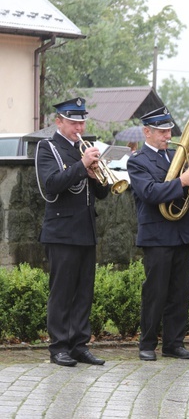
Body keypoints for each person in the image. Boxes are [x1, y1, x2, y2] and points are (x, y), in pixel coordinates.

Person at [35, 97, 109, 367]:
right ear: (59, 122)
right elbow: (51, 185)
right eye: (73, 121)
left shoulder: (85, 150)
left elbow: (102, 192)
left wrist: (97, 172)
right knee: (62, 292)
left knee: (83, 292)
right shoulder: (48, 148)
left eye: (82, 121)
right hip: (61, 232)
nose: (79, 126)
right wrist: (82, 166)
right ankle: (58, 347)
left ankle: (79, 344)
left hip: (86, 230)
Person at [127, 106, 189, 362]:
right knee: (155, 292)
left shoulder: (177, 156)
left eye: (169, 129)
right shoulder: (137, 161)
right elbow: (148, 193)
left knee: (180, 292)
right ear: (146, 132)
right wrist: (182, 182)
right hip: (157, 236)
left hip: (181, 232)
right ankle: (147, 343)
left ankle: (174, 343)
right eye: (161, 130)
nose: (167, 134)